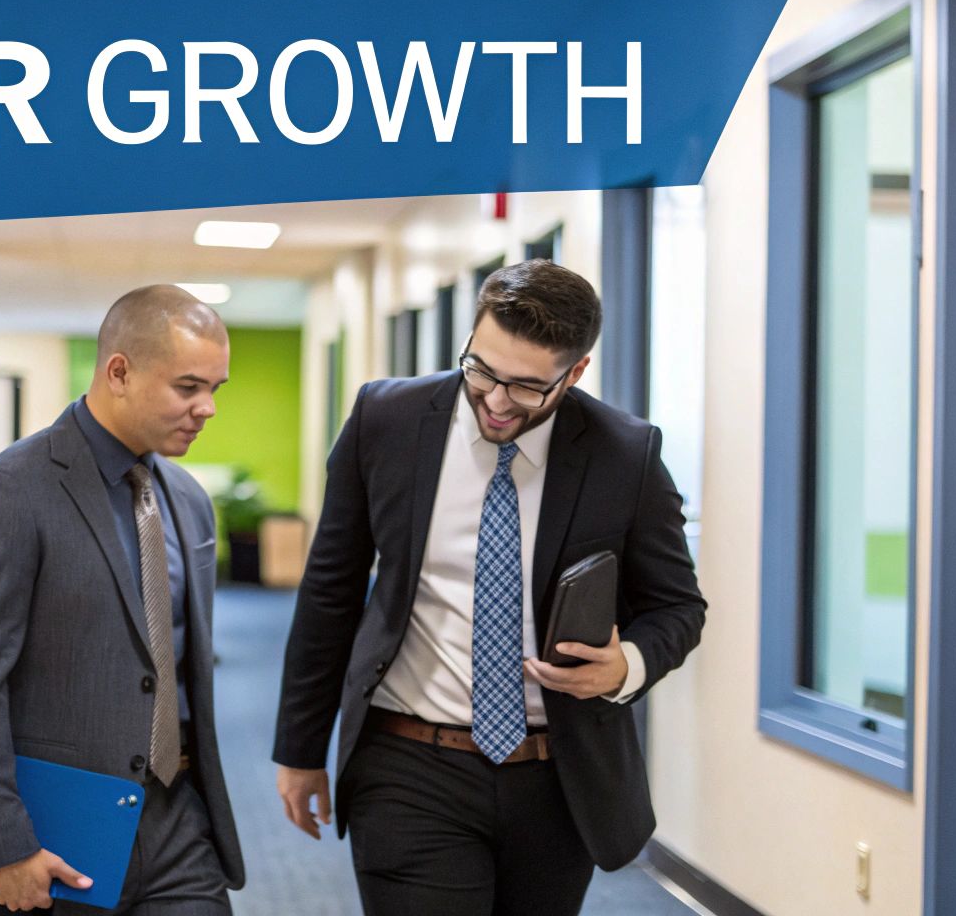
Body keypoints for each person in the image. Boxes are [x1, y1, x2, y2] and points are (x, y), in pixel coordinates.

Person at [273, 259, 705, 916]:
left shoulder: (625, 454)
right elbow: (330, 592)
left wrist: (628, 665)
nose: (497, 402)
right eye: (481, 370)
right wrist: (300, 749)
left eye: (528, 387)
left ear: (575, 373)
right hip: (410, 761)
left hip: (557, 776)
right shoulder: (385, 420)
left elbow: (677, 606)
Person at [0, 285, 244, 915]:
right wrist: (1, 847)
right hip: (54, 833)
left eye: (215, 388)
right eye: (188, 387)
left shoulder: (187, 501)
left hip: (178, 827)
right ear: (119, 372)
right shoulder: (8, 492)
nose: (207, 408)